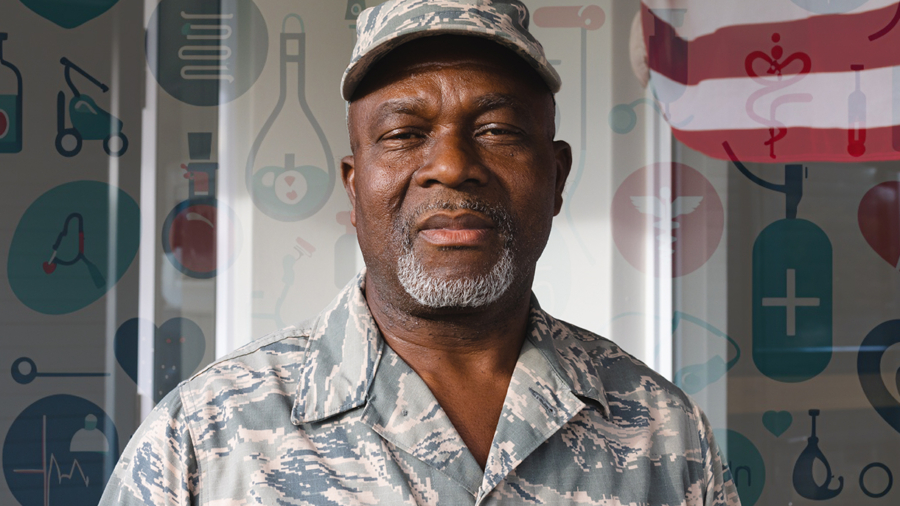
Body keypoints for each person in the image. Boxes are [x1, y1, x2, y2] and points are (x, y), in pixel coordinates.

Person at [100, 1, 741, 504]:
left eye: (497, 130)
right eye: (406, 134)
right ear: (355, 188)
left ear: (557, 178)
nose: (453, 166)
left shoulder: (661, 430)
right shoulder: (206, 436)